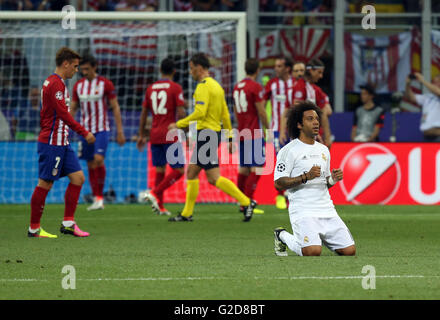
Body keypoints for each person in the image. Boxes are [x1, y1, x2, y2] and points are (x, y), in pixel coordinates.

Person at [167, 52, 257, 222]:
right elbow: (225, 116)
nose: (190, 72)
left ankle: (246, 201)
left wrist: (178, 124)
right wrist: (229, 138)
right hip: (213, 134)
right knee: (193, 172)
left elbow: (200, 113)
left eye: (192, 68)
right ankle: (187, 213)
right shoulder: (217, 87)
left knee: (213, 177)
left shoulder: (203, 86)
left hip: (206, 134)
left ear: (200, 68)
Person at [273, 100, 356, 257]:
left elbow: (323, 183)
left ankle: (315, 237)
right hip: (303, 210)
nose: (316, 122)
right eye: (310, 119)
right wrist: (305, 176)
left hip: (326, 209)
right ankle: (282, 235)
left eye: (317, 119)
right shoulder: (289, 151)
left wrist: (332, 179)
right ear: (299, 125)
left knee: (349, 251)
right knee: (312, 252)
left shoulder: (324, 150)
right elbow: (278, 183)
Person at [28, 47, 95, 238]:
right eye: (74, 66)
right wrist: (84, 132)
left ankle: (68, 223)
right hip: (52, 142)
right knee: (45, 183)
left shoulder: (57, 82)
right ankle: (34, 228)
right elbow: (62, 114)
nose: (76, 70)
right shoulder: (55, 84)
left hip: (62, 142)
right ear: (65, 64)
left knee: (78, 178)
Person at [70, 54, 126, 211]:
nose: (84, 71)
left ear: (94, 67)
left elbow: (115, 107)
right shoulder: (78, 86)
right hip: (85, 130)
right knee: (90, 162)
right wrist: (66, 126)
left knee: (98, 159)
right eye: (82, 69)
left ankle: (100, 198)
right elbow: (73, 108)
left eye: (87, 69)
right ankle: (96, 199)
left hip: (102, 129)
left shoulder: (105, 84)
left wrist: (120, 131)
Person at [137, 58, 186, 216]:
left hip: (154, 133)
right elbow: (181, 113)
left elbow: (144, 113)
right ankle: (155, 193)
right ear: (174, 71)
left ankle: (160, 206)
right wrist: (186, 129)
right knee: (179, 170)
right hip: (169, 133)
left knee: (160, 169)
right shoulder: (175, 88)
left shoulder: (151, 88)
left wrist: (141, 135)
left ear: (160, 70)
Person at [233, 58, 269, 214]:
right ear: (258, 70)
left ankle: (242, 203)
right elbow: (261, 111)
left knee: (244, 169)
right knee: (258, 167)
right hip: (253, 132)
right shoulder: (255, 86)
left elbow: (235, 110)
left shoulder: (237, 87)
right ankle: (248, 203)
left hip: (242, 131)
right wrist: (268, 128)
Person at [262, 56, 294, 210]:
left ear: (287, 68)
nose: (276, 69)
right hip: (276, 130)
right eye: (276, 66)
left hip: (294, 131)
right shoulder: (272, 84)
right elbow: (262, 105)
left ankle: (291, 196)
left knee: (295, 164)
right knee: (281, 162)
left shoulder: (295, 84)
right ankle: (281, 196)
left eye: (280, 66)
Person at [285, 59, 332, 148]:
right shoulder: (300, 86)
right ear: (311, 71)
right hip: (303, 137)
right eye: (319, 72)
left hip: (311, 135)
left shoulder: (314, 89)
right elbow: (296, 113)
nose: (321, 76)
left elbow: (328, 111)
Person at [404, 72, 440, 142]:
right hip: (427, 136)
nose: (435, 84)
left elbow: (437, 91)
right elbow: (411, 98)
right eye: (434, 82)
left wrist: (422, 80)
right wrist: (408, 84)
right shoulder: (428, 96)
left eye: (438, 82)